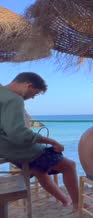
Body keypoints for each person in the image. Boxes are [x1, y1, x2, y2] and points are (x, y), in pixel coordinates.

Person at [0, 72, 80, 209]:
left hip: (5, 149)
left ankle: (65, 200)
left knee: (39, 170)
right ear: (28, 85)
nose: (33, 98)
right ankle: (78, 204)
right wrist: (51, 141)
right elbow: (18, 134)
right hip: (15, 149)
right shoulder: (14, 99)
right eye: (35, 94)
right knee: (69, 166)